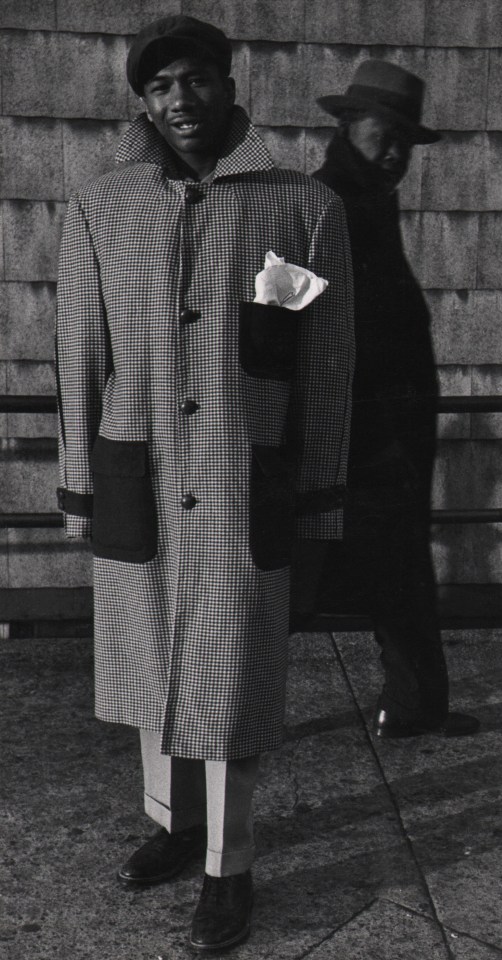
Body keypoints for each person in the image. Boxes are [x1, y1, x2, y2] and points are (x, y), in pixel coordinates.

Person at [55, 15, 354, 953]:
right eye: (160, 87)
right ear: (143, 101)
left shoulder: (300, 206)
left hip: (237, 473)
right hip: (136, 463)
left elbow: (323, 355)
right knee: (150, 661)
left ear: (228, 83)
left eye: (195, 79)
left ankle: (230, 864)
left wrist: (316, 484)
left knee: (228, 681)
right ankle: (171, 825)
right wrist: (80, 482)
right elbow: (80, 348)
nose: (180, 100)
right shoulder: (103, 206)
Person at [308, 60, 479, 740]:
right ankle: (221, 713)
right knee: (300, 583)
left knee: (402, 574)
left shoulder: (371, 200)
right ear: (350, 126)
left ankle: (416, 708)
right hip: (352, 436)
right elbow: (277, 315)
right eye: (389, 133)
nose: (399, 152)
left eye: (409, 140)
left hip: (391, 437)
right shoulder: (321, 204)